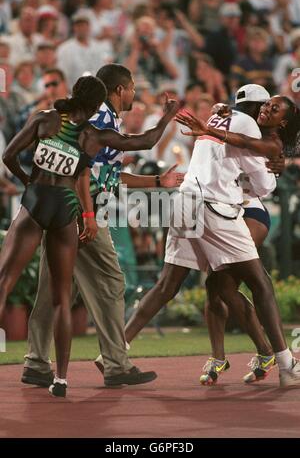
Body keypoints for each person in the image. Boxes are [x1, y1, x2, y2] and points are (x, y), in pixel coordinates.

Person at [1, 74, 180, 397]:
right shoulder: (96, 122)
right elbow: (86, 172)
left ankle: (37, 363)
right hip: (82, 213)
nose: (135, 96)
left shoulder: (78, 119)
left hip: (54, 208)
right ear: (118, 89)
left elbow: (110, 174)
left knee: (53, 289)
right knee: (110, 283)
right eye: (133, 90)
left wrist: (155, 181)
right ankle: (115, 364)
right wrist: (87, 215)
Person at [125, 85, 300, 387]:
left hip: (244, 208)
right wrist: (217, 119)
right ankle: (254, 356)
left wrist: (213, 126)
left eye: (270, 107)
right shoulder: (230, 120)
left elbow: (259, 174)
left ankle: (266, 356)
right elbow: (243, 145)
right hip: (218, 205)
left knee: (224, 283)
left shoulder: (256, 136)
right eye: (263, 105)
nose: (263, 110)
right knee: (216, 286)